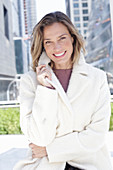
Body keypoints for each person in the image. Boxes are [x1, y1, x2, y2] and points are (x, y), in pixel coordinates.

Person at [14, 11, 113, 170]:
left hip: (90, 165)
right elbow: (39, 138)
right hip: (45, 166)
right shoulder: (30, 81)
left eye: (62, 38)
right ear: (43, 46)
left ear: (72, 38)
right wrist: (45, 89)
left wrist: (50, 150)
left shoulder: (97, 78)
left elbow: (97, 136)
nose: (57, 47)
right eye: (49, 42)